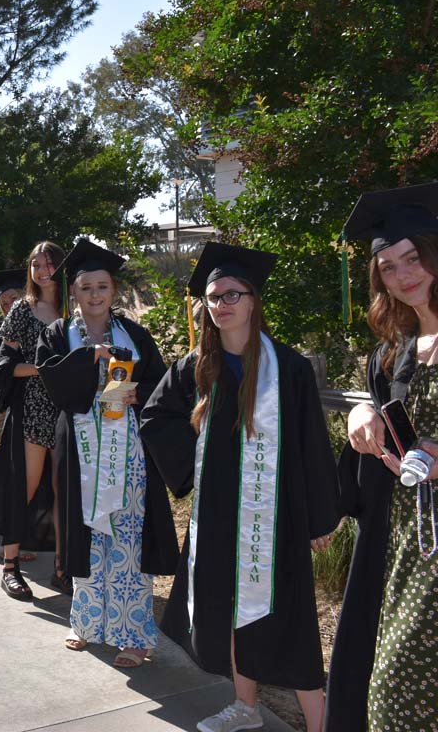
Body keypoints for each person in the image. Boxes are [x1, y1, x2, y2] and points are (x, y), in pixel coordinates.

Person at [141, 242, 339, 732]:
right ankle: (246, 708)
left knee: (290, 622)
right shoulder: (197, 366)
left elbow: (313, 442)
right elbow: (156, 416)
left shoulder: (287, 367)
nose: (222, 304)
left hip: (279, 515)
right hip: (219, 516)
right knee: (230, 612)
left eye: (233, 294)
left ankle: (321, 723)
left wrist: (319, 518)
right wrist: (193, 472)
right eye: (213, 296)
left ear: (252, 300)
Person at [35, 238, 178, 669]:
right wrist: (86, 358)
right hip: (81, 452)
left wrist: (141, 396)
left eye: (102, 287)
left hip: (129, 452)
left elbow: (162, 383)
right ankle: (87, 622)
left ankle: (133, 634)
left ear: (112, 290)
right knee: (88, 534)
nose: (95, 295)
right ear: (73, 292)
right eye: (86, 288)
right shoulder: (58, 334)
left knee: (129, 539)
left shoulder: (134, 334)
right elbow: (50, 380)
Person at [328, 185, 438, 732]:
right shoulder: (395, 348)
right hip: (409, 541)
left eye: (413, 257)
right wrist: (359, 415)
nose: (403, 275)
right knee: (395, 694)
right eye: (389, 266)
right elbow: (382, 408)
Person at [0, 241, 66, 597]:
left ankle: (62, 568)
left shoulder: (75, 308)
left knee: (62, 491)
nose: (41, 271)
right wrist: (44, 370)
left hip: (69, 412)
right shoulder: (22, 311)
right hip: (34, 412)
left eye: (48, 263)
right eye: (35, 264)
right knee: (24, 487)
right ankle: (10, 567)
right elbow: (3, 367)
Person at [0, 269, 39, 570]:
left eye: (13, 299)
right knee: (9, 476)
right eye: (3, 302)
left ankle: (21, 539)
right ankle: (7, 541)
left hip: (34, 407)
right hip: (1, 408)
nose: (7, 305)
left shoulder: (38, 322)